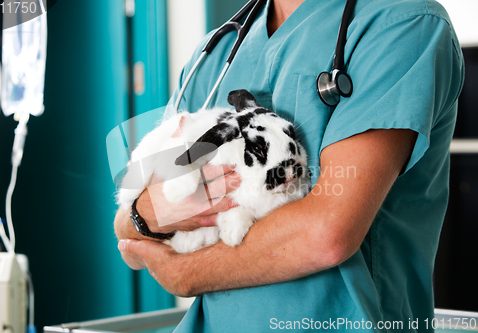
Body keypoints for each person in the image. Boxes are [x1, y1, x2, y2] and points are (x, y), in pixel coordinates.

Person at [114, 0, 464, 331]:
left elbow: (327, 232)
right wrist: (146, 214)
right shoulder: (216, 52)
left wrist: (186, 270)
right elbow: (127, 236)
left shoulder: (401, 24)